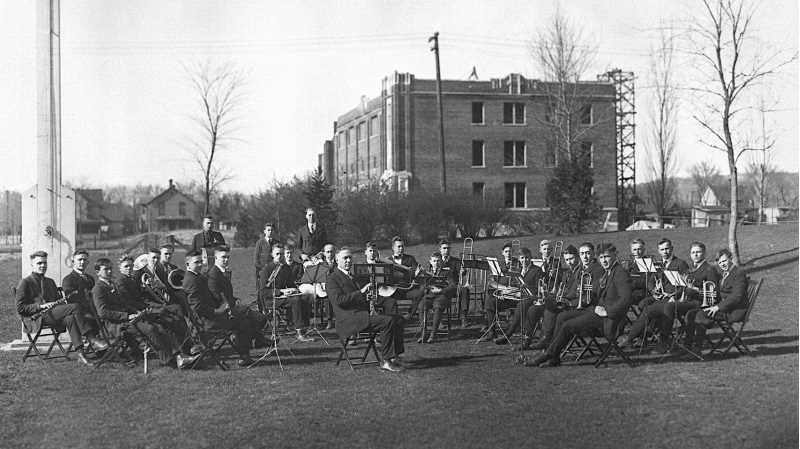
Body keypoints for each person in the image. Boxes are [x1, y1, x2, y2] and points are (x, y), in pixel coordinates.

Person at [526, 243, 632, 367]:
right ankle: (554, 358)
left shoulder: (620, 273)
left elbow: (626, 299)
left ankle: (548, 354)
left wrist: (607, 311)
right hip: (597, 311)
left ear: (615, 255)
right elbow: (598, 293)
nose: (604, 260)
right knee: (561, 317)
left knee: (568, 326)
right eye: (601, 257)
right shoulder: (609, 272)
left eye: (607, 257)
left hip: (609, 319)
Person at [92, 258, 199, 368]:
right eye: (106, 269)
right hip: (115, 325)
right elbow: (103, 312)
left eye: (110, 269)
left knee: (159, 326)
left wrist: (136, 312)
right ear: (97, 272)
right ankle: (171, 359)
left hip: (128, 319)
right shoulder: (98, 289)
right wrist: (127, 316)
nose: (109, 271)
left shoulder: (112, 284)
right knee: (151, 329)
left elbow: (124, 304)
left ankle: (177, 356)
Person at [619, 241, 719, 351]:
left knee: (668, 307)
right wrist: (654, 290)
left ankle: (663, 341)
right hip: (679, 298)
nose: (695, 255)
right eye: (693, 252)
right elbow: (654, 280)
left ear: (704, 253)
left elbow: (711, 293)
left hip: (694, 302)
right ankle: (631, 338)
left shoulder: (706, 268)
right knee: (648, 309)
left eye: (698, 252)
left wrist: (682, 293)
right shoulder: (692, 268)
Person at [15, 250, 105, 365]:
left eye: (44, 263)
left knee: (70, 318)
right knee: (75, 307)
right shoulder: (25, 282)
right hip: (36, 318)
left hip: (53, 314)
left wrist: (59, 306)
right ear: (32, 264)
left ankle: (81, 354)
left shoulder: (50, 282)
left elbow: (61, 304)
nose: (43, 266)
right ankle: (92, 339)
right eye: (39, 263)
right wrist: (41, 306)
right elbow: (20, 308)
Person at [326, 247, 405, 372]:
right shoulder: (332, 278)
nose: (348, 261)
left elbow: (360, 297)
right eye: (344, 258)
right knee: (387, 321)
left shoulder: (354, 276)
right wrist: (361, 292)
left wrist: (369, 297)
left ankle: (396, 356)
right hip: (348, 320)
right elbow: (339, 301)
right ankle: (386, 360)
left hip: (361, 315)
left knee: (398, 319)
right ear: (337, 260)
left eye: (350, 258)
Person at [183, 250, 257, 366]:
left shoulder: (197, 276)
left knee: (243, 317)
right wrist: (218, 311)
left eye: (201, 261)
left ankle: (245, 352)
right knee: (243, 322)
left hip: (208, 318)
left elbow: (207, 298)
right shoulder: (191, 280)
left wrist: (224, 304)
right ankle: (245, 355)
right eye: (196, 262)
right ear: (188, 265)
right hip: (206, 323)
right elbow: (197, 307)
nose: (200, 264)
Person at [684, 248, 748, 349]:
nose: (723, 264)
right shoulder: (725, 273)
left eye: (725, 261)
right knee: (690, 314)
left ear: (731, 259)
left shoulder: (739, 273)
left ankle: (697, 348)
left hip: (734, 311)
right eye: (720, 262)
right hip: (724, 308)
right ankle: (687, 346)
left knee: (700, 315)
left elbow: (736, 297)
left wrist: (717, 307)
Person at [208, 245, 270, 347]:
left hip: (229, 308)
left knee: (257, 318)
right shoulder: (214, 274)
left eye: (228, 257)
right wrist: (234, 305)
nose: (226, 260)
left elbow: (226, 293)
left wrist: (235, 300)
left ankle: (254, 341)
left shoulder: (222, 272)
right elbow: (216, 297)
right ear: (215, 258)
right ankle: (252, 342)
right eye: (223, 257)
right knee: (256, 318)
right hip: (223, 313)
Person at [258, 244, 315, 342]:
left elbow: (290, 283)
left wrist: (294, 290)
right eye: (277, 254)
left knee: (305, 297)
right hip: (271, 299)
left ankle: (305, 328)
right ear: (272, 255)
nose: (279, 256)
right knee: (296, 300)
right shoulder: (267, 269)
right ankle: (299, 333)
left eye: (281, 254)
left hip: (283, 297)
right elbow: (263, 291)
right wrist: (281, 291)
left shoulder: (285, 268)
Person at [493, 247, 542, 345]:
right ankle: (492, 330)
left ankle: (508, 335)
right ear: (519, 259)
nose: (525, 260)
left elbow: (538, 288)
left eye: (527, 258)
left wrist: (524, 291)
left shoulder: (537, 270)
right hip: (517, 296)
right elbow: (514, 285)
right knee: (494, 300)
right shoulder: (517, 270)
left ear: (531, 258)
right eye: (522, 258)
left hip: (532, 297)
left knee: (521, 305)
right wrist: (505, 293)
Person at [417, 251, 458, 343]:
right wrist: (424, 284)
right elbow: (422, 288)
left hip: (442, 296)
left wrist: (441, 290)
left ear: (441, 262)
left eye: (438, 261)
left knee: (438, 306)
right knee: (421, 306)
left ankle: (433, 334)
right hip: (429, 296)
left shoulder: (447, 272)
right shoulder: (427, 273)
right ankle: (423, 333)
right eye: (434, 261)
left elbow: (452, 285)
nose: (436, 263)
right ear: (430, 262)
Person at [384, 236, 425, 320]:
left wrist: (417, 272)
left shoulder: (410, 259)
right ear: (393, 248)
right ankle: (394, 320)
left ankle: (409, 315)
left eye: (402, 246)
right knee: (387, 299)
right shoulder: (387, 260)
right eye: (398, 246)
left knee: (420, 293)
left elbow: (415, 272)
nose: (401, 248)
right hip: (394, 290)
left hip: (408, 289)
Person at [439, 239, 470, 328]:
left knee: (464, 289)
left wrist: (463, 271)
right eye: (444, 248)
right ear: (440, 249)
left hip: (454, 287)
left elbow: (461, 270)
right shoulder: (436, 260)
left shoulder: (455, 261)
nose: (446, 250)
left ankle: (463, 317)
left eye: (448, 248)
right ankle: (439, 320)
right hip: (441, 286)